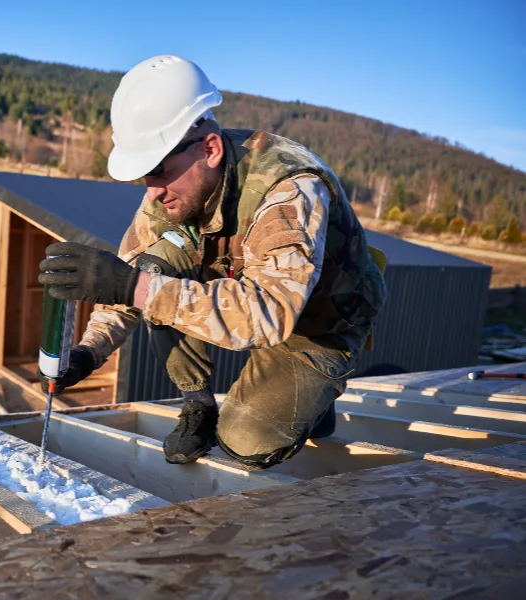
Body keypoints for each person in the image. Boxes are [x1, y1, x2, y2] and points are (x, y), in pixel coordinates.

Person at [38, 55, 388, 467]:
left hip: (319, 323)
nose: (151, 192)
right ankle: (198, 404)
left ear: (210, 148)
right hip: (248, 299)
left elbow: (268, 315)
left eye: (159, 171)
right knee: (155, 265)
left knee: (245, 442)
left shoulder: (290, 189)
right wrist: (87, 354)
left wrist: (133, 285)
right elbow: (131, 279)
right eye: (144, 178)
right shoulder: (169, 192)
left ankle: (316, 393)